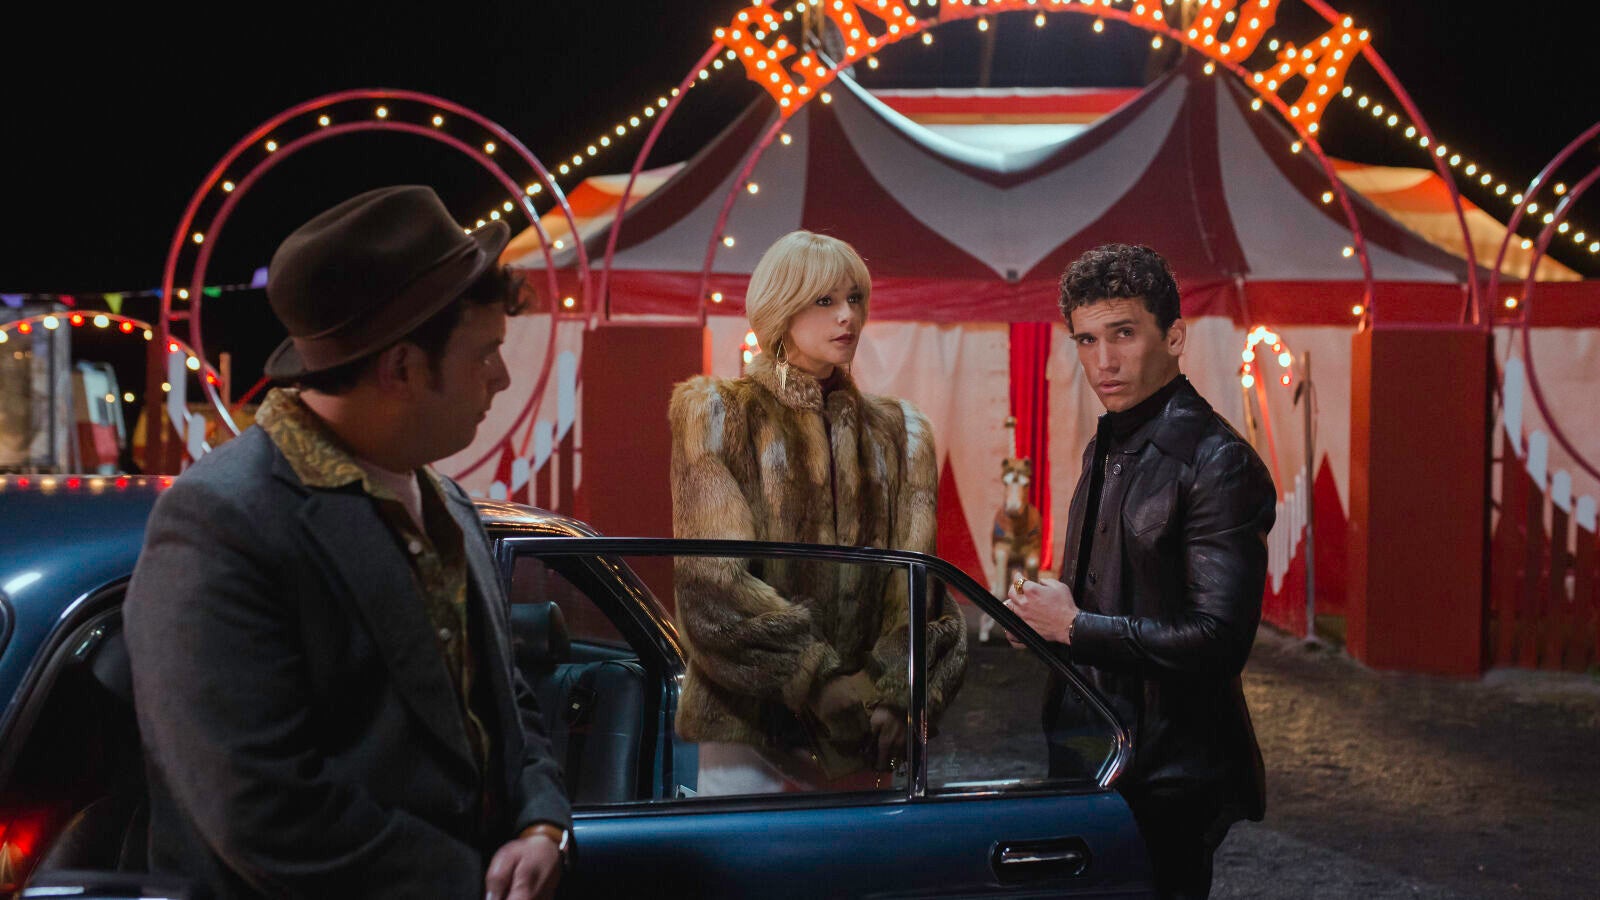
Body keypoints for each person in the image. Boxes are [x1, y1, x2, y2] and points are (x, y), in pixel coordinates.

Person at [124, 185, 571, 900]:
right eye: (485, 352)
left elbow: (502, 700)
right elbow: (262, 807)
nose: (502, 376)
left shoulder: (445, 501)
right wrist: (469, 883)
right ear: (402, 368)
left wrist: (541, 824)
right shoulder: (221, 521)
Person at [1006, 244, 1275, 899]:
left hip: (1167, 773)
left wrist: (1074, 626)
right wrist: (1043, 620)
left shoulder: (1218, 463)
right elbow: (1106, 592)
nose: (1104, 360)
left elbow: (1219, 640)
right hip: (1092, 749)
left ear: (1174, 338)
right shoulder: (1107, 443)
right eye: (1086, 340)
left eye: (1123, 334)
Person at [667, 230, 967, 794]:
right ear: (781, 307)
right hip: (753, 730)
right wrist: (815, 677)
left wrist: (895, 693)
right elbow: (711, 584)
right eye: (824, 300)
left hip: (865, 736)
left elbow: (920, 589)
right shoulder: (719, 415)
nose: (847, 315)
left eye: (854, 298)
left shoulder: (900, 434)